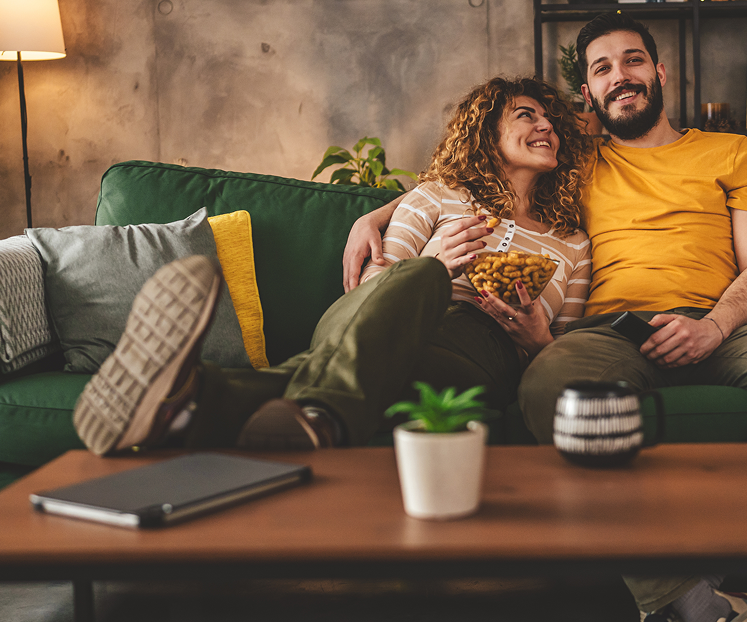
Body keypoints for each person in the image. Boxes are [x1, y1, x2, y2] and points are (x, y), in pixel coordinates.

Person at [342, 13, 747, 622]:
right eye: (602, 69)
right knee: (547, 384)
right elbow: (476, 167)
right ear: (589, 97)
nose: (620, 76)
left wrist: (714, 326)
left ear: (659, 71)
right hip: (609, 334)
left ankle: (713, 554)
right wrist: (376, 216)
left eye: (632, 60)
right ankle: (690, 594)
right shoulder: (577, 158)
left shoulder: (730, 151)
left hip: (723, 324)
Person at [72, 75, 594, 458]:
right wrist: (437, 266)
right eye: (527, 114)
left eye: (550, 120)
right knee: (417, 276)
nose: (546, 124)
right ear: (486, 130)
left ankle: (189, 397)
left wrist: (534, 337)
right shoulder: (437, 197)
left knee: (368, 356)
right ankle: (316, 417)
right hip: (379, 316)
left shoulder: (572, 244)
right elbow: (371, 285)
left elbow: (562, 353)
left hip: (478, 354)